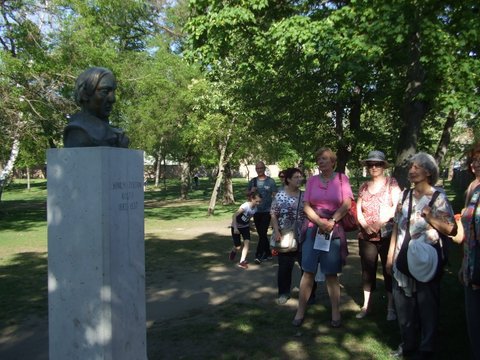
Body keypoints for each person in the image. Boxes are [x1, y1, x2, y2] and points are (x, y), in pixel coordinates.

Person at [386, 152, 456, 359]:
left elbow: (451, 229)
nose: (411, 170)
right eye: (411, 167)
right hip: (403, 257)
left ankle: (426, 348)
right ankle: (408, 345)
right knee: (403, 305)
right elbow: (397, 228)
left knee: (427, 305)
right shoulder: (404, 195)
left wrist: (430, 215)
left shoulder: (438, 198)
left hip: (427, 260)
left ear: (428, 172)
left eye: (416, 167)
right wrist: (390, 256)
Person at [292, 148, 353, 328]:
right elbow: (306, 205)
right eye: (319, 158)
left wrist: (332, 221)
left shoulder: (342, 179)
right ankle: (300, 311)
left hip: (334, 229)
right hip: (313, 228)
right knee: (308, 271)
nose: (321, 161)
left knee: (331, 273)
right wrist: (319, 221)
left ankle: (335, 312)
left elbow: (347, 204)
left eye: (325, 158)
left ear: (333, 161)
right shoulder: (311, 180)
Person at [355, 150, 401, 320]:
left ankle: (391, 307)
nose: (373, 167)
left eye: (377, 164)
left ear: (383, 166)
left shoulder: (392, 183)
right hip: (366, 236)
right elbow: (358, 208)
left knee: (389, 269)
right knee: (367, 270)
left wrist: (378, 223)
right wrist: (365, 225)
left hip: (387, 235)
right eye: (370, 164)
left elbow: (395, 206)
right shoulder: (364, 186)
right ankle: (366, 305)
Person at [454, 142, 480, 360]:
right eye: (474, 160)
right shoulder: (474, 189)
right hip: (473, 268)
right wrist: (464, 263)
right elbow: (467, 235)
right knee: (475, 330)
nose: (476, 165)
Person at [64, 67, 129, 148]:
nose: (112, 99)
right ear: (84, 94)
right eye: (104, 91)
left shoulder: (116, 134)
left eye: (113, 92)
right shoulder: (78, 131)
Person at [270, 168, 305, 304]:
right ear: (288, 179)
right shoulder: (280, 195)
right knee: (285, 266)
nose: (299, 179)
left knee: (306, 267)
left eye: (300, 177)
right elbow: (273, 214)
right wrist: (277, 231)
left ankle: (310, 294)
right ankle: (283, 293)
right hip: (285, 236)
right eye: (296, 177)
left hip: (303, 236)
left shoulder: (304, 195)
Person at [247, 161, 278, 264]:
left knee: (263, 232)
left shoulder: (271, 181)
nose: (259, 170)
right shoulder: (253, 181)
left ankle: (258, 255)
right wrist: (251, 191)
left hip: (267, 211)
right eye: (257, 168)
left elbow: (275, 195)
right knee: (262, 234)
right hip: (256, 211)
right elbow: (247, 195)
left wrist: (274, 209)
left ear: (264, 169)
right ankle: (268, 253)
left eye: (261, 168)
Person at [229, 191, 263, 269]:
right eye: (256, 201)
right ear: (252, 199)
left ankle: (242, 261)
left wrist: (251, 227)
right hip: (236, 227)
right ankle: (234, 250)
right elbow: (234, 215)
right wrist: (235, 228)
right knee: (238, 246)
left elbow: (248, 219)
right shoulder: (245, 206)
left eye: (259, 202)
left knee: (247, 243)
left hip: (245, 227)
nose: (258, 203)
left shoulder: (255, 209)